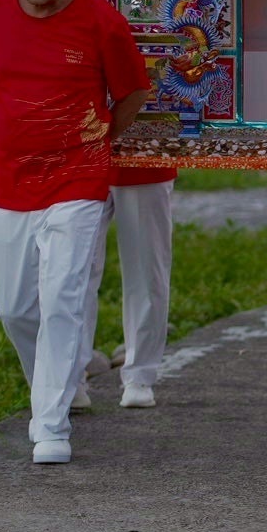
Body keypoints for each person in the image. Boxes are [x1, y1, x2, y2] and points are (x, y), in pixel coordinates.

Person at [0, 0, 150, 465]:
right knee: (13, 306)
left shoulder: (101, 20)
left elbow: (133, 91)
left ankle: (50, 424)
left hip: (78, 178)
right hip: (10, 180)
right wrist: (14, 132)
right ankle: (56, 381)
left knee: (64, 295)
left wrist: (98, 137)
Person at [79, 164, 176, 410]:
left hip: (143, 155)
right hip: (78, 159)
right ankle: (69, 377)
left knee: (147, 265)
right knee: (74, 271)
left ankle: (140, 375)